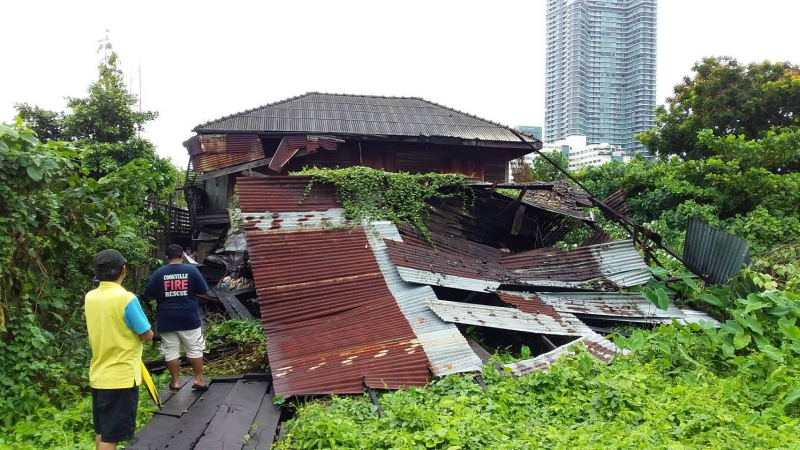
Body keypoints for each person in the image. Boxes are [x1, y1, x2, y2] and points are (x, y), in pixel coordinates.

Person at [85, 249, 153, 450]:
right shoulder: (125, 299)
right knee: (111, 436)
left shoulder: (90, 297)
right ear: (123, 270)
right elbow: (146, 333)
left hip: (99, 374)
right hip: (121, 376)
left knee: (103, 431)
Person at [144, 244, 209, 391]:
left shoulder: (159, 273)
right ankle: (199, 380)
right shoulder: (191, 270)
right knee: (194, 349)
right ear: (182, 256)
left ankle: (175, 382)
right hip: (189, 317)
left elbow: (147, 293)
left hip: (167, 319)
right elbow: (203, 290)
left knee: (171, 350)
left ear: (166, 257)